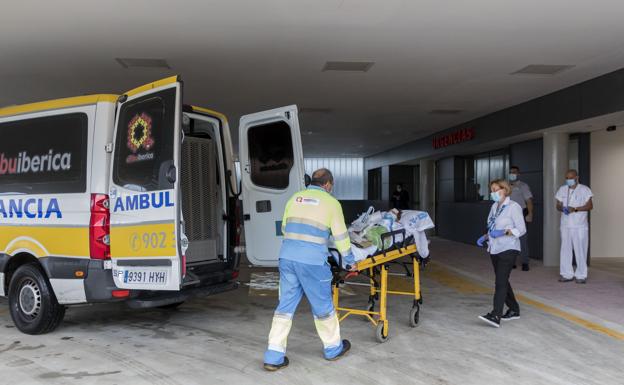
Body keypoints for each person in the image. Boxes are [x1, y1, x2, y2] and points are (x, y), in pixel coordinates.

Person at [263, 168, 354, 371]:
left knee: (284, 307)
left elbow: (285, 228)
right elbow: (341, 237)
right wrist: (350, 262)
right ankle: (333, 348)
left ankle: (273, 355)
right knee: (323, 307)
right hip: (312, 262)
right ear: (328, 184)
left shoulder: (295, 198)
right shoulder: (331, 203)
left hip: (287, 258)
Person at [476, 179, 526, 328]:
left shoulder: (513, 207)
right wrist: (485, 236)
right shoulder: (494, 206)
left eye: (496, 190)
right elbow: (491, 226)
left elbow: (522, 229)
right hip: (495, 248)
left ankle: (496, 315)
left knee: (500, 282)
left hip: (509, 248)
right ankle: (514, 309)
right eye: (491, 190)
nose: (493, 193)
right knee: (502, 279)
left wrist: (505, 231)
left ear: (505, 190)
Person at [555, 169, 593, 284]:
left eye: (570, 178)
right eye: (567, 178)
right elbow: (558, 205)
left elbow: (590, 206)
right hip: (565, 224)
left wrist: (575, 209)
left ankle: (581, 275)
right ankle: (567, 274)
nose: (568, 180)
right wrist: (562, 208)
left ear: (577, 177)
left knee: (580, 249)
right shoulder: (562, 189)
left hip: (579, 226)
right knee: (565, 249)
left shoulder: (585, 189)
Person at [509, 166, 534, 271]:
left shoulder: (523, 186)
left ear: (519, 174)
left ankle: (525, 262)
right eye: (510, 172)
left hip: (520, 214)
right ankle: (511, 262)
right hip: (508, 215)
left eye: (514, 172)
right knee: (510, 239)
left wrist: (530, 214)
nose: (512, 174)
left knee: (522, 239)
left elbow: (529, 201)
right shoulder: (506, 186)